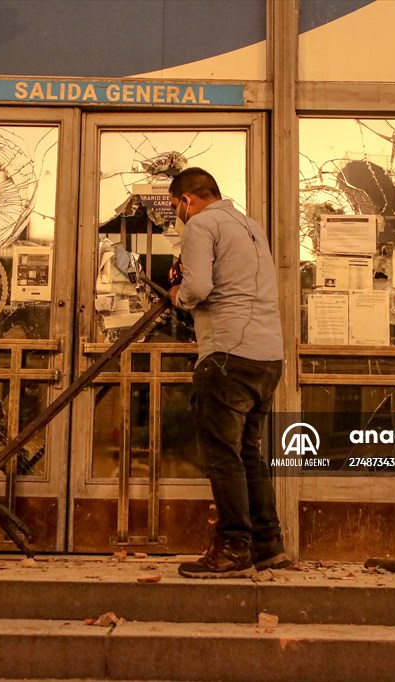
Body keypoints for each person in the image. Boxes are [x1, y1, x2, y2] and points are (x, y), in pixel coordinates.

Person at [166, 167, 291, 578]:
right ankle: (268, 544)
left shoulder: (201, 225)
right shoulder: (251, 226)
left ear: (187, 200)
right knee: (248, 452)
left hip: (226, 355)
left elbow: (198, 288)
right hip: (266, 357)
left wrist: (177, 294)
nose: (178, 215)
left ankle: (233, 546)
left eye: (176, 207)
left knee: (223, 456)